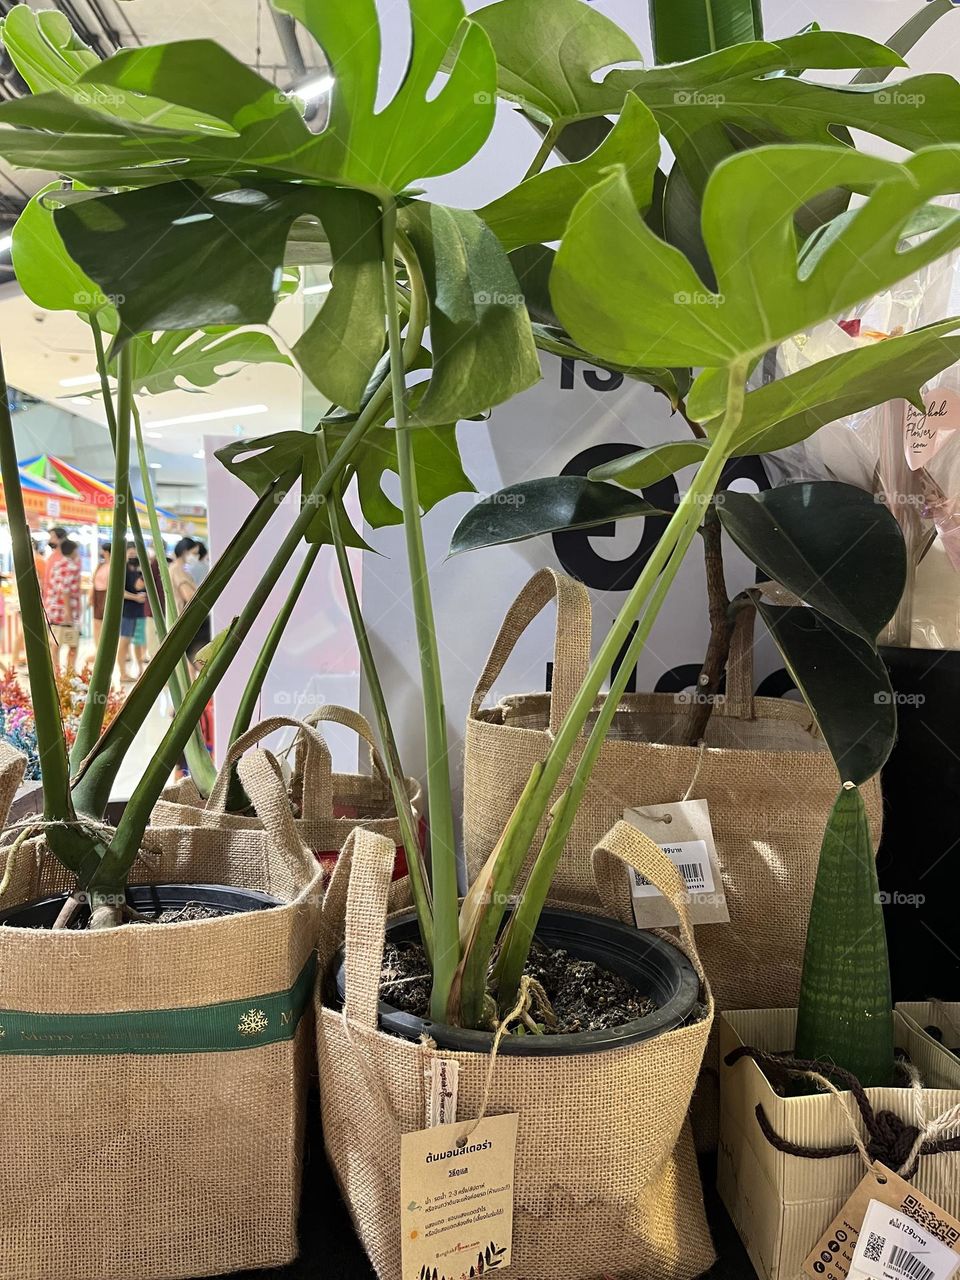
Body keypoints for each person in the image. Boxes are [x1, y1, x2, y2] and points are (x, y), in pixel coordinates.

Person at [170, 536, 211, 673]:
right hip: (188, 619)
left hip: (185, 618)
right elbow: (188, 595)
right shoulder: (178, 569)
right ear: (184, 551)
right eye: (193, 553)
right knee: (197, 657)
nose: (196, 556)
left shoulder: (180, 568)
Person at [43, 536, 81, 673]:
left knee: (55, 643)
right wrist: (69, 613)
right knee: (73, 644)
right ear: (72, 551)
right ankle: (69, 672)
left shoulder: (57, 565)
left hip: (54, 612)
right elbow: (65, 591)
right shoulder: (71, 566)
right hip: (65, 613)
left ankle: (56, 670)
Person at [117, 543, 147, 681]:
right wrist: (135, 597)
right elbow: (119, 592)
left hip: (141, 611)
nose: (133, 556)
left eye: (135, 554)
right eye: (130, 553)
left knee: (139, 642)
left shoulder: (141, 570)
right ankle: (123, 673)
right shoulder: (122, 570)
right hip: (127, 612)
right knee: (124, 641)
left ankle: (140, 670)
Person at [90, 542, 110, 642]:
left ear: (107, 552)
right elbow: (93, 580)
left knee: (104, 623)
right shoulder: (101, 565)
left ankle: (102, 646)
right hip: (97, 594)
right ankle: (97, 648)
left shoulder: (113, 566)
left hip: (106, 595)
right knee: (96, 622)